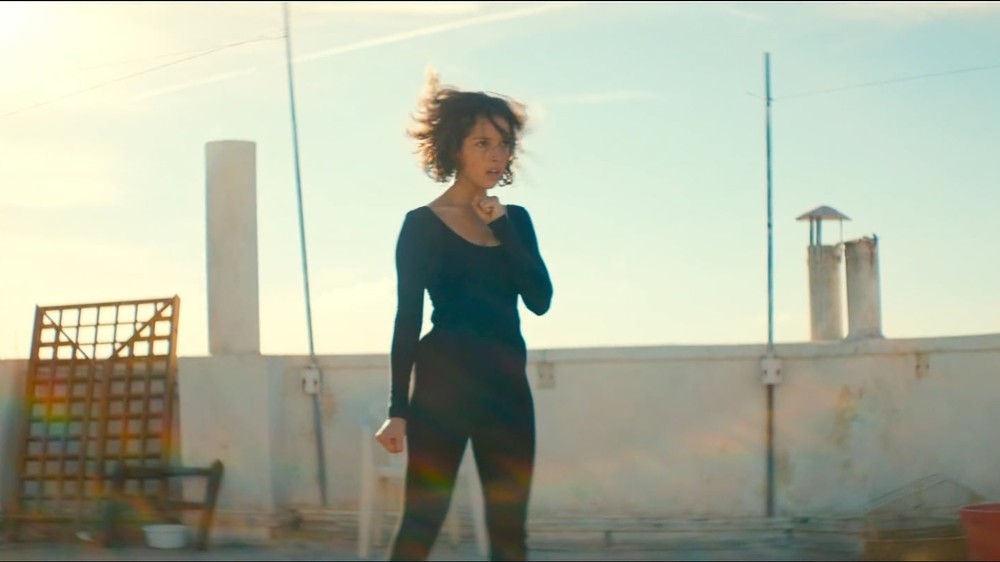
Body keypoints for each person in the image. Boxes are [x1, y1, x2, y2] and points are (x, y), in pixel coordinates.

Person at [374, 72, 553, 562]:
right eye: (483, 143)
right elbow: (407, 319)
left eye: (504, 144)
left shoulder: (516, 221)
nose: (497, 155)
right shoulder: (421, 226)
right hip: (441, 392)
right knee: (421, 524)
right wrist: (397, 410)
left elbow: (539, 299)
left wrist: (503, 228)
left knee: (509, 535)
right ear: (455, 147)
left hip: (507, 393)